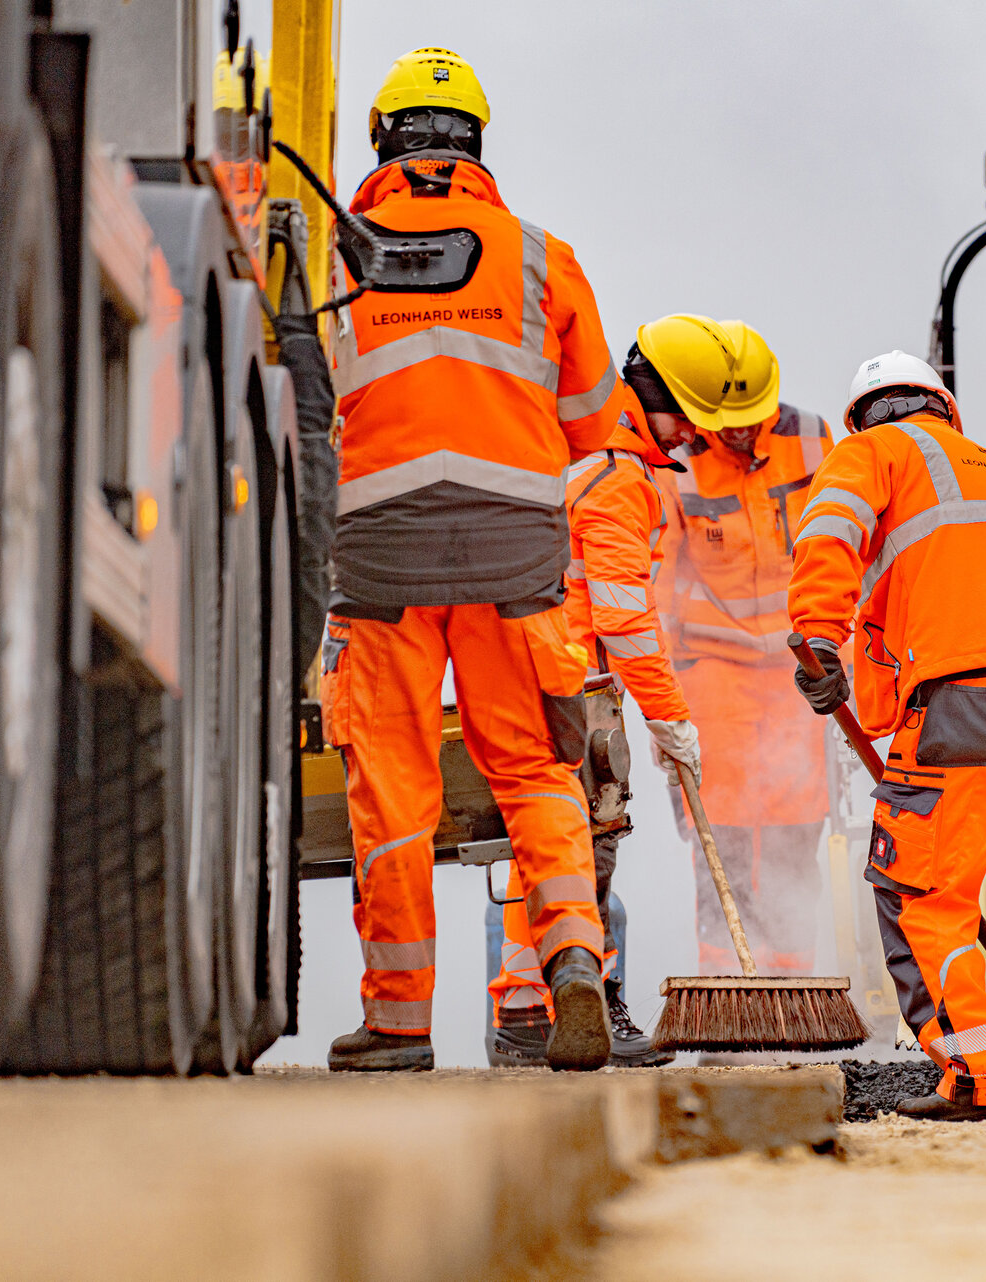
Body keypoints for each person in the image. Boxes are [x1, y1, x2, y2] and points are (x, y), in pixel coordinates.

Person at [322, 47, 620, 1072]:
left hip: (380, 557)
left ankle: (400, 1022)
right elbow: (593, 427)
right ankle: (575, 955)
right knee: (536, 770)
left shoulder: (331, 252)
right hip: (513, 553)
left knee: (395, 784)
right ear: (476, 147)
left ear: (383, 142)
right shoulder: (543, 256)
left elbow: (300, 410)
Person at [788, 351, 986, 1122]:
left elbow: (829, 531)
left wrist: (815, 636)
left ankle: (982, 1080)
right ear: (943, 409)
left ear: (865, 415)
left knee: (921, 894)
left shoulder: (873, 451)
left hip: (967, 702)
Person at [486, 376, 701, 1067]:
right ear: (657, 405)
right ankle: (593, 1003)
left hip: (533, 673)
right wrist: (670, 721)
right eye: (692, 420)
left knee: (543, 846)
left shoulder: (577, 456)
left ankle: (523, 1011)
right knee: (587, 848)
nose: (695, 437)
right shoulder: (617, 477)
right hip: (575, 686)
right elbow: (624, 620)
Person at [645, 316, 836, 974]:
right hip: (713, 669)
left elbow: (839, 551)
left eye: (751, 418)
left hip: (795, 667)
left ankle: (793, 994)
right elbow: (661, 577)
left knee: (794, 826)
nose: (739, 432)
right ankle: (727, 985)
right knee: (718, 832)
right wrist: (660, 704)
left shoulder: (813, 438)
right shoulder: (678, 455)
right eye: (727, 420)